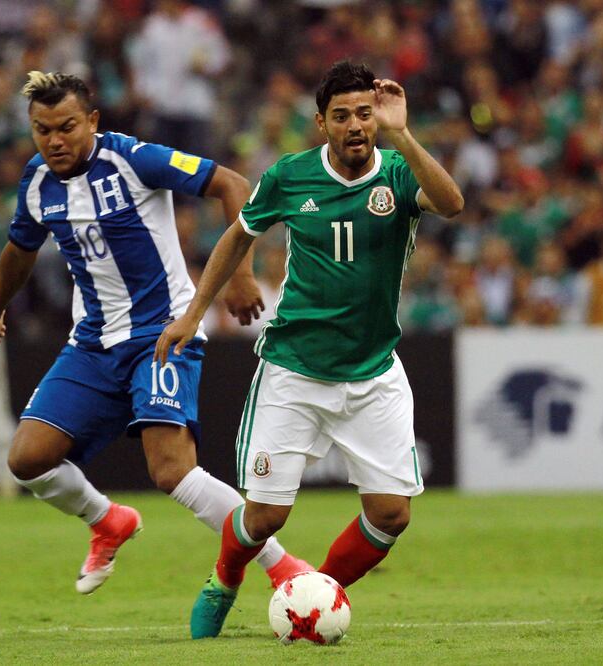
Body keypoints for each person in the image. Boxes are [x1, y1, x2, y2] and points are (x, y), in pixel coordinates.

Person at [154, 61, 464, 638]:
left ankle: (313, 593)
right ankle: (224, 578)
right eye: (341, 115)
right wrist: (193, 313)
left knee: (392, 515)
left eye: (365, 115)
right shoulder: (289, 176)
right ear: (322, 123)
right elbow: (238, 236)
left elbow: (451, 203)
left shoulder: (398, 173)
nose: (355, 126)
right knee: (267, 515)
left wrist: (403, 134)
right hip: (295, 370)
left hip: (373, 373)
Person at [0, 71, 308, 597]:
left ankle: (284, 567)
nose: (55, 141)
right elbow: (20, 249)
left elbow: (233, 185)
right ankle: (106, 521)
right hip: (92, 342)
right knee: (27, 460)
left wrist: (238, 277)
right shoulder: (37, 181)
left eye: (66, 127)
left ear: (92, 121)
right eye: (43, 130)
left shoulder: (134, 159)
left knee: (172, 471)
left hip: (163, 332)